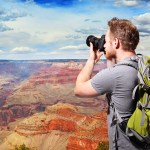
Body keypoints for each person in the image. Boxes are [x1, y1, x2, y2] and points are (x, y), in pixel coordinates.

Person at [74, 17, 149, 150]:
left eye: (107, 41)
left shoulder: (116, 75)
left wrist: (91, 60)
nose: (104, 45)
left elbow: (79, 89)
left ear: (116, 42)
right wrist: (109, 55)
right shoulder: (142, 66)